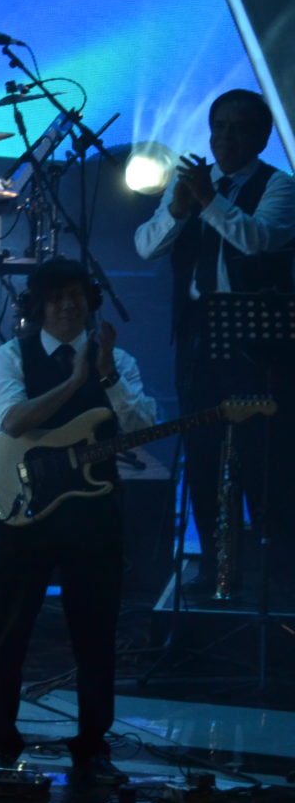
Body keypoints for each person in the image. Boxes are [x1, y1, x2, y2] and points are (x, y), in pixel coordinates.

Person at [0, 258, 155, 777]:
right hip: (24, 510)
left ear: (90, 302)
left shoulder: (116, 358)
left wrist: (105, 376)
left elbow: (142, 422)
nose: (66, 306)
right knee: (9, 627)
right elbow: (12, 420)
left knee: (95, 630)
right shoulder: (13, 354)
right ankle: (0, 736)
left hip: (94, 510)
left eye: (76, 296)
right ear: (37, 307)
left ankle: (93, 738)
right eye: (55, 298)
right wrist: (75, 380)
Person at [133, 87, 295, 588]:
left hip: (258, 341)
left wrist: (208, 199)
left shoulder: (280, 186)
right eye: (218, 126)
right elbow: (145, 247)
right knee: (202, 452)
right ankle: (214, 567)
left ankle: (274, 570)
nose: (225, 137)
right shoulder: (192, 186)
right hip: (199, 333)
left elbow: (258, 238)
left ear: (263, 136)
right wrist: (180, 208)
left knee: (262, 456)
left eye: (238, 127)